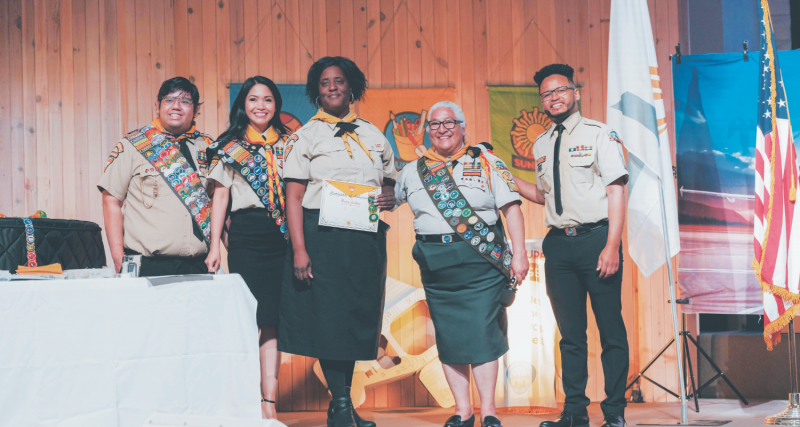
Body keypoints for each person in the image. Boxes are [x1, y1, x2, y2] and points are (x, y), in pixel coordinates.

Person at [278, 56, 396, 427]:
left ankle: (342, 407)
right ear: (316, 90)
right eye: (325, 82)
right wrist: (300, 249)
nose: (332, 86)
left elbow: (390, 182)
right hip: (321, 236)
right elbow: (293, 198)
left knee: (355, 316)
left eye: (339, 80)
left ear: (351, 87)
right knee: (328, 318)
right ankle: (342, 404)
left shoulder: (374, 134)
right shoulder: (304, 136)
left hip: (365, 239)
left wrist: (390, 195)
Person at [394, 101, 528, 427]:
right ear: (428, 131)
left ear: (463, 127)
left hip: (481, 263)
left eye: (449, 123)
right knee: (450, 337)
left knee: (482, 334)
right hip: (437, 267)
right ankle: (463, 412)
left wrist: (520, 254)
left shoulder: (487, 162)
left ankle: (489, 412)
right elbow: (387, 198)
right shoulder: (413, 170)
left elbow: (511, 209)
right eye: (435, 124)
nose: (442, 129)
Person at [514, 64, 629, 427]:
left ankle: (613, 413)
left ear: (575, 92)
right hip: (559, 247)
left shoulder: (599, 134)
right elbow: (544, 195)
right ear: (542, 102)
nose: (554, 98)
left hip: (597, 240)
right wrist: (508, 178)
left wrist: (612, 245)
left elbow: (616, 189)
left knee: (611, 331)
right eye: (547, 94)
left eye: (560, 90)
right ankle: (574, 412)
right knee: (570, 336)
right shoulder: (541, 143)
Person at [204, 76, 290, 419]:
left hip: (282, 236)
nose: (261, 106)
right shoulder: (229, 147)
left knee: (273, 321)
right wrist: (215, 247)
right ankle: (244, 401)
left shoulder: (291, 143)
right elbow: (220, 197)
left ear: (276, 105)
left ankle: (269, 403)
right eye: (254, 99)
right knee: (246, 319)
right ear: (243, 104)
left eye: (268, 99)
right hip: (246, 235)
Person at [99, 77, 213, 276]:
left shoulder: (209, 148)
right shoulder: (133, 144)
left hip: (199, 264)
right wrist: (118, 257)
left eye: (185, 101)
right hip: (147, 264)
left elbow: (220, 204)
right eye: (169, 100)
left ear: (196, 110)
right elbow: (111, 200)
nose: (176, 106)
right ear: (158, 106)